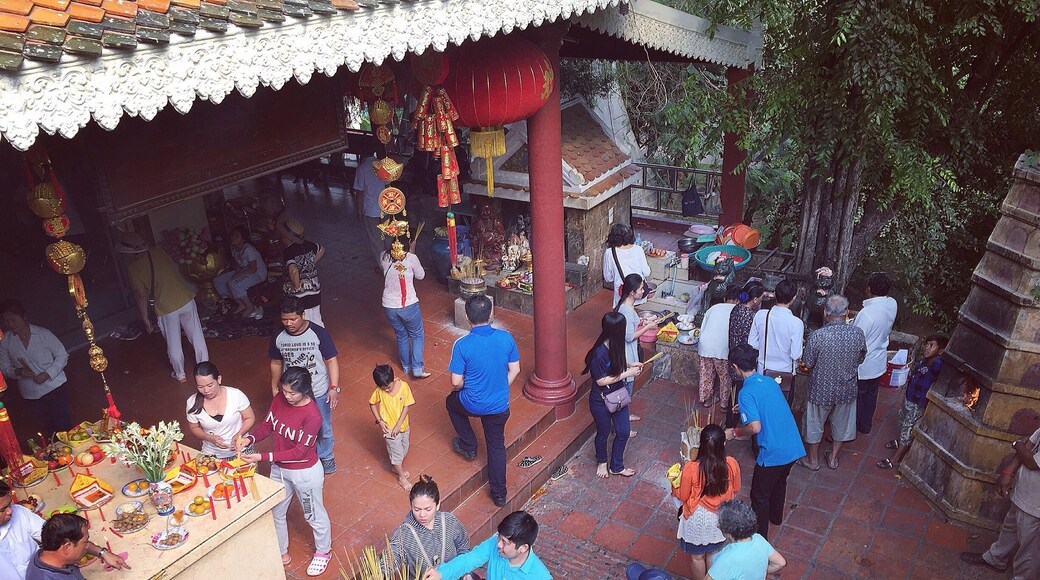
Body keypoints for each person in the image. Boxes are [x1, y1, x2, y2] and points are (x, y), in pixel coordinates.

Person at [241, 367, 333, 576]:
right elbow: (268, 424)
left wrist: (263, 457)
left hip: (305, 473)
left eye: (292, 393)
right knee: (276, 512)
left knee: (313, 514)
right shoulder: (280, 399)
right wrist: (251, 438)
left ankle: (323, 551)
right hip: (280, 470)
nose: (287, 396)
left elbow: (300, 451)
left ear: (305, 390)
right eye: (284, 391)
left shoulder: (313, 416)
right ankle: (281, 551)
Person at [446, 295, 521, 507]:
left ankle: (468, 445)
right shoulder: (506, 338)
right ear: (491, 314)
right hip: (499, 406)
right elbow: (515, 369)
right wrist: (500, 386)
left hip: (472, 403)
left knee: (452, 403)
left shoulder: (462, 345)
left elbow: (456, 382)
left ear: (467, 318)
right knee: (496, 445)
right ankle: (499, 494)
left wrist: (468, 388)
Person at [725, 344, 805, 539]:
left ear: (735, 367)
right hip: (793, 445)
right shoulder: (768, 381)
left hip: (773, 452)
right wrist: (743, 408)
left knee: (759, 496)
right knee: (780, 483)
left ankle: (760, 538)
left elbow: (755, 427)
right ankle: (776, 517)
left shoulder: (745, 392)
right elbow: (767, 404)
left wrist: (734, 433)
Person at [118, 231, 209, 384]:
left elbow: (141, 295)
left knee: (173, 343)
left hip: (166, 307)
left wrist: (145, 318)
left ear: (129, 253)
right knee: (196, 335)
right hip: (185, 298)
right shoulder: (159, 252)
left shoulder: (133, 269)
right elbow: (174, 268)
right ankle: (205, 368)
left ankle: (180, 374)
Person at [269, 297, 340, 474]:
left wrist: (333, 388)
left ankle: (326, 456)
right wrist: (274, 387)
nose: (288, 323)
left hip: (318, 389)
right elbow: (276, 362)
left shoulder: (318, 333)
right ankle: (305, 455)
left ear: (303, 314)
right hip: (292, 391)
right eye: (285, 319)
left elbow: (331, 360)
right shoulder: (278, 336)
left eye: (293, 319)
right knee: (295, 426)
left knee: (323, 426)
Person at [960, 426, 1039, 579]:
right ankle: (996, 558)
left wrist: (1017, 444)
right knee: (1010, 530)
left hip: (1035, 505)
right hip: (1024, 493)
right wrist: (1008, 472)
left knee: (1029, 551)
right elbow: (1029, 444)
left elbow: (1031, 461)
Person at [798, 295, 866, 471]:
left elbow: (807, 363)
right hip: (846, 389)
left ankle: (813, 461)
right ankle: (833, 459)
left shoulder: (817, 336)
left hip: (820, 390)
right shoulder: (857, 333)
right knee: (842, 425)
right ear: (847, 313)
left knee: (814, 425)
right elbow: (861, 357)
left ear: (825, 312)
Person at [673, 424, 741, 580]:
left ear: (701, 444)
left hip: (696, 518)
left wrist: (674, 485)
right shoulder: (731, 464)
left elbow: (683, 496)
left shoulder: (691, 468)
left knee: (697, 557)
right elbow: (736, 488)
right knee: (713, 553)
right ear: (723, 444)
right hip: (720, 518)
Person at [583, 311, 643, 479]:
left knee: (623, 431)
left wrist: (631, 364)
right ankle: (602, 461)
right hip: (600, 399)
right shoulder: (599, 353)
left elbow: (618, 363)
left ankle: (616, 466)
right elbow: (601, 381)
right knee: (602, 433)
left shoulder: (617, 345)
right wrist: (627, 373)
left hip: (618, 394)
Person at [0, 300, 71, 437]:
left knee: (64, 427)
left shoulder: (43, 334)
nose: (10, 325)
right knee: (48, 430)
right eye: (6, 321)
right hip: (31, 394)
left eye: (13, 320)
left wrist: (48, 373)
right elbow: (4, 368)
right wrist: (18, 372)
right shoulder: (6, 342)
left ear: (24, 317)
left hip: (56, 387)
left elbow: (62, 355)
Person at [877, 335, 947, 470]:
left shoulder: (937, 364)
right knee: (902, 420)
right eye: (927, 344)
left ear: (940, 351)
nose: (927, 348)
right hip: (909, 398)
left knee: (908, 428)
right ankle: (899, 442)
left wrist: (941, 356)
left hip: (918, 403)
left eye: (932, 345)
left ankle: (895, 458)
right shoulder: (924, 361)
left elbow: (939, 367)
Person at [423, 511, 551, 580]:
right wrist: (441, 574)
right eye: (499, 537)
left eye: (505, 542)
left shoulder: (540, 576)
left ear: (523, 548)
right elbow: (469, 560)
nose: (499, 545)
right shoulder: (495, 544)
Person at [386, 475, 472, 577]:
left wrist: (466, 572)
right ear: (411, 506)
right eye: (417, 509)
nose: (422, 515)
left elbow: (463, 546)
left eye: (428, 509)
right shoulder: (404, 534)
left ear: (438, 505)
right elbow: (391, 558)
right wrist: (382, 569)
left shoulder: (449, 521)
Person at [852, 272, 897, 435]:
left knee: (858, 398)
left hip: (864, 363)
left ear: (869, 289)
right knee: (871, 395)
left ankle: (851, 429)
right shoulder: (892, 304)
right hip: (879, 359)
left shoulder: (867, 314)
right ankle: (865, 425)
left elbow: (856, 340)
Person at [382, 237, 431, 379]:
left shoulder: (384, 256)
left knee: (401, 335)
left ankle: (406, 367)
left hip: (389, 306)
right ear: (408, 245)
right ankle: (417, 368)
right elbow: (421, 276)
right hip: (408, 305)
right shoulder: (411, 258)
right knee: (417, 335)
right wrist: (412, 251)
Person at [184, 361, 255, 459]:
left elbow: (249, 418)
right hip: (213, 455)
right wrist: (210, 438)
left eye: (210, 385)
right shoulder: (192, 402)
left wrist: (239, 434)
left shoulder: (235, 395)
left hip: (242, 450)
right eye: (200, 387)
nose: (206, 391)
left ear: (219, 379)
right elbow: (194, 428)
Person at [25, 512, 129, 579]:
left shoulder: (48, 553)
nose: (87, 546)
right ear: (66, 547)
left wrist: (102, 553)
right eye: (85, 542)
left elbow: (85, 546)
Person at [747, 279, 803, 400]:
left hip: (763, 370)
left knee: (762, 406)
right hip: (785, 376)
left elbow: (751, 343)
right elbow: (795, 354)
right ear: (793, 298)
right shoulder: (796, 323)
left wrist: (764, 346)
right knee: (780, 410)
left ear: (775, 295)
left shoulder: (761, 315)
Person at [705, 500, 786, 580]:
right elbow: (780, 563)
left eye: (719, 525)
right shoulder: (759, 539)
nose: (718, 525)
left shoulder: (727, 558)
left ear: (728, 533)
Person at [616, 273, 658, 424]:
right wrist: (647, 327)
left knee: (627, 390)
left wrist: (641, 321)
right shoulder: (626, 311)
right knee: (625, 390)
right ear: (632, 292)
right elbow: (628, 336)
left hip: (629, 353)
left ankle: (625, 417)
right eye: (640, 289)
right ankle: (622, 424)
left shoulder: (626, 307)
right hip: (627, 355)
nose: (642, 291)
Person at [369, 364, 416, 490]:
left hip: (403, 426)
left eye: (388, 387)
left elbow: (407, 406)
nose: (387, 390)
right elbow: (372, 403)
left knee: (404, 448)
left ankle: (396, 466)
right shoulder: (380, 391)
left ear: (393, 379)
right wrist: (380, 421)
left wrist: (398, 425)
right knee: (397, 453)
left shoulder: (404, 387)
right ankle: (401, 477)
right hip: (389, 429)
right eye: (383, 389)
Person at [280, 218, 326, 326]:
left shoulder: (288, 251)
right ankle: (321, 338)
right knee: (316, 317)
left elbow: (294, 271)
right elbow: (322, 249)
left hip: (302, 295)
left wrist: (296, 287)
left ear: (286, 238)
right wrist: (311, 263)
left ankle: (311, 341)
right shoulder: (309, 245)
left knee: (305, 321)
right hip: (315, 290)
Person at [214, 226, 268, 319]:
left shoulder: (248, 249)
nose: (233, 238)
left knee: (234, 283)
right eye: (232, 235)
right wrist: (237, 273)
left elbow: (253, 269)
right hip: (244, 270)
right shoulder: (234, 248)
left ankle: (249, 306)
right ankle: (241, 303)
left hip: (258, 273)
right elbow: (237, 263)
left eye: (236, 236)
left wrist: (238, 276)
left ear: (243, 239)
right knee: (218, 281)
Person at [698, 287, 739, 408]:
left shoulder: (713, 308)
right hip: (723, 349)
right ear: (738, 300)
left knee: (706, 375)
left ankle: (706, 398)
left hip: (705, 346)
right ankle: (724, 404)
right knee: (725, 377)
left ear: (725, 298)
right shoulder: (737, 310)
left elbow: (703, 327)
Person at [353, 151, 394, 269]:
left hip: (371, 210)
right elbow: (388, 186)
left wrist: (359, 210)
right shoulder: (381, 165)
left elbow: (359, 192)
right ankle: (393, 261)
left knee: (376, 240)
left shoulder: (362, 168)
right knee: (388, 236)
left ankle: (383, 267)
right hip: (385, 207)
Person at [0, 479, 45, 579]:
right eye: (3, 510)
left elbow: (52, 535)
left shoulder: (19, 512)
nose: (10, 511)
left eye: (9, 504)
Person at [603, 223, 652, 309]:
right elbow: (647, 273)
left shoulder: (609, 252)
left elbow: (608, 278)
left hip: (622, 294)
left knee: (624, 317)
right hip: (638, 292)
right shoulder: (638, 249)